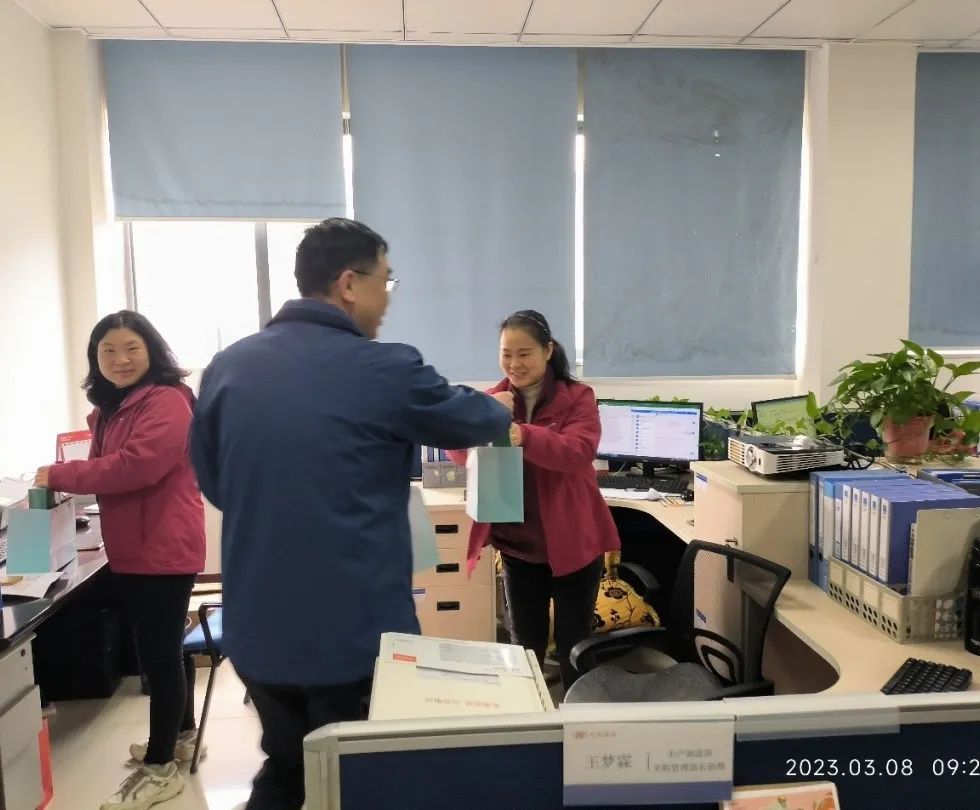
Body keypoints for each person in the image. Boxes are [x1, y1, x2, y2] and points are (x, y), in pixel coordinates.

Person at [190, 218, 512, 810]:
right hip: (352, 637)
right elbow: (480, 420)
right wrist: (506, 403)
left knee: (288, 766)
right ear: (348, 283)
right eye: (385, 282)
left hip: (258, 632)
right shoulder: (383, 369)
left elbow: (214, 481)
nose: (387, 298)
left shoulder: (227, 367)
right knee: (362, 778)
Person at [36, 311, 205, 810]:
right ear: (95, 358)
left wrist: (59, 474)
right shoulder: (117, 405)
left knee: (158, 656)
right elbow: (112, 466)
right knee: (165, 647)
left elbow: (136, 467)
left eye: (131, 347)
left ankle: (160, 769)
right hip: (140, 544)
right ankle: (181, 737)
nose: (120, 359)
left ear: (151, 349)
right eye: (107, 350)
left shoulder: (166, 400)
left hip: (162, 545)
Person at [448, 310, 620, 689]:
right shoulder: (492, 400)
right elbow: (458, 454)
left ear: (548, 351)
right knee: (524, 647)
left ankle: (576, 715)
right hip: (520, 547)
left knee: (575, 645)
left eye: (524, 353)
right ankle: (529, 716)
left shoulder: (578, 398)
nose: (514, 364)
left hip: (574, 545)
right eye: (506, 354)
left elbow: (578, 451)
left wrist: (523, 435)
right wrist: (478, 419)